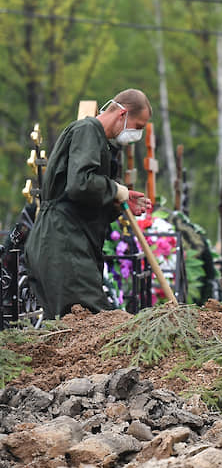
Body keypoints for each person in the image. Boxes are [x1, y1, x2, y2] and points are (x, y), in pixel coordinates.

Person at [24, 89, 153, 318]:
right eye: (138, 126)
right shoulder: (87, 130)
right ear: (122, 114)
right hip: (62, 242)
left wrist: (117, 203)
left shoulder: (99, 141)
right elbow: (80, 184)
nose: (137, 134)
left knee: (77, 326)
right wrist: (117, 190)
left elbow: (80, 200)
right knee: (92, 321)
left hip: (71, 240)